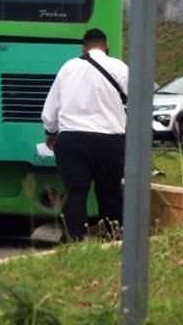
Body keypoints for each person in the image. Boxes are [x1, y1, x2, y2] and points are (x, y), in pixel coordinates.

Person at [41, 28, 128, 241]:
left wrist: (51, 133)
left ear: (83, 47)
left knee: (76, 191)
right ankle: (114, 236)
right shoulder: (120, 67)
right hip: (110, 139)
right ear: (106, 47)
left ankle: (74, 239)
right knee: (110, 190)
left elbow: (51, 109)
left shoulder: (68, 67)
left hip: (72, 139)